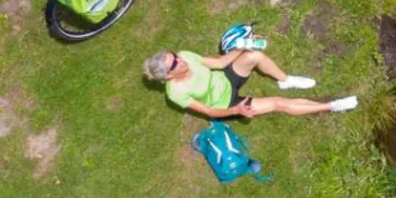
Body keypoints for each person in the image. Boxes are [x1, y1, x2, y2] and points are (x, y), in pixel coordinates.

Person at [143, 49, 357, 120]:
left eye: (174, 56)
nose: (180, 60)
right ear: (168, 76)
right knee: (278, 104)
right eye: (175, 63)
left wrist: (242, 46)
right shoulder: (176, 93)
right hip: (227, 102)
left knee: (254, 55)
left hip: (225, 78)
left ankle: (285, 80)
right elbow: (208, 111)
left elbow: (219, 63)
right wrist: (236, 109)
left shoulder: (185, 55)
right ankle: (332, 106)